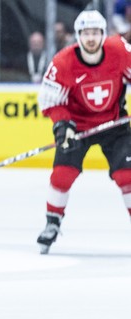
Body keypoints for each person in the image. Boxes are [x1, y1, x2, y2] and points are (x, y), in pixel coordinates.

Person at [36, 10, 131, 254]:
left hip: (114, 124)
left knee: (127, 176)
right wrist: (62, 125)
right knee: (62, 174)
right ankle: (52, 223)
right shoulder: (63, 62)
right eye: (86, 33)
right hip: (77, 127)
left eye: (95, 33)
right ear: (78, 35)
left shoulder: (119, 50)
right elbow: (49, 101)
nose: (91, 38)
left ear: (103, 34)